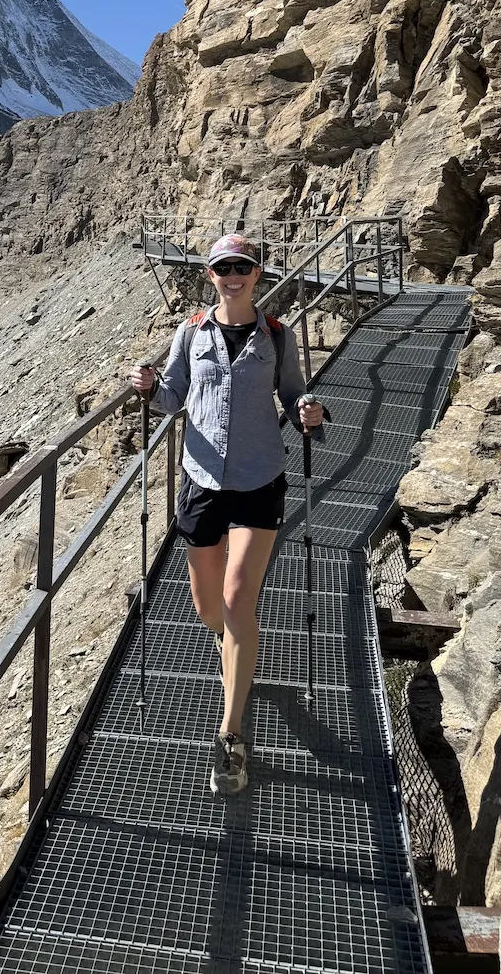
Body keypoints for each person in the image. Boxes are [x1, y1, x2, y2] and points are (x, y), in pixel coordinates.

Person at [130, 233, 323, 795]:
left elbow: (292, 395)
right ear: (210, 275)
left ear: (258, 273)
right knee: (208, 606)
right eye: (222, 267)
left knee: (240, 598)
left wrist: (308, 410)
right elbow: (172, 397)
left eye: (242, 266)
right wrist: (144, 384)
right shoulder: (189, 332)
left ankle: (231, 734)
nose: (233, 275)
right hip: (202, 479)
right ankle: (236, 649)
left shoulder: (278, 336)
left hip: (260, 478)